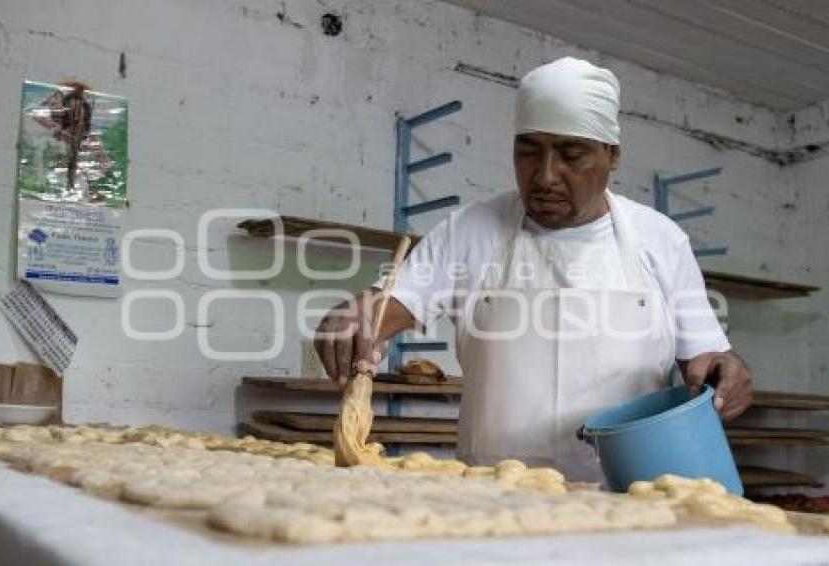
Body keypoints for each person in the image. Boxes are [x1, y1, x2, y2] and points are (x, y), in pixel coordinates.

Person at [315, 57, 751, 481]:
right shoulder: (471, 230)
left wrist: (725, 373)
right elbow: (388, 306)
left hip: (624, 496)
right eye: (528, 151)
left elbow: (708, 360)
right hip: (493, 496)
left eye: (571, 154)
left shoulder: (660, 240)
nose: (545, 175)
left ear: (612, 155)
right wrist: (353, 315)